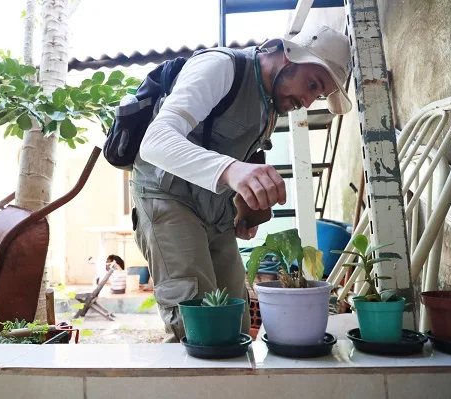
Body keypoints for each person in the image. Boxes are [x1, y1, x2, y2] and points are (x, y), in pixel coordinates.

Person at [130, 24, 353, 343]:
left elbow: (236, 154)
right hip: (166, 196)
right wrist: (232, 170)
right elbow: (155, 142)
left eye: (316, 95)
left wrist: (243, 210)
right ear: (289, 55)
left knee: (236, 317)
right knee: (197, 322)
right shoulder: (221, 66)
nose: (306, 101)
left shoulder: (271, 106)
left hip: (214, 210)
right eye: (312, 84)